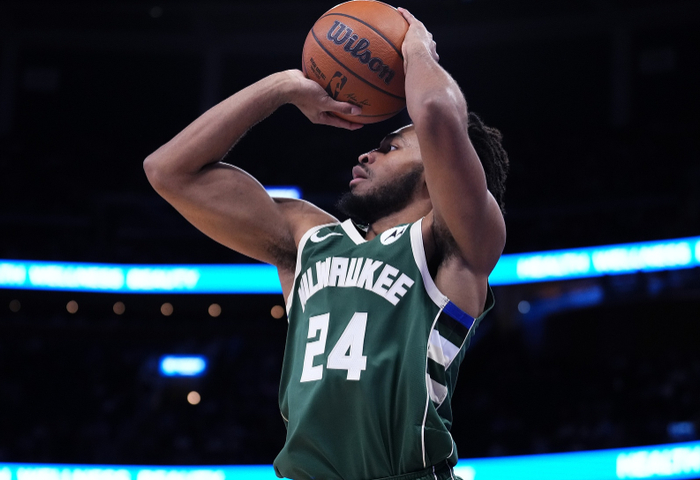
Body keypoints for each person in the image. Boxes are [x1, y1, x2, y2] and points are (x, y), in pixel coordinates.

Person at [144, 8, 508, 480]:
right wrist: (282, 87)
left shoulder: (455, 242)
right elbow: (168, 171)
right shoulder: (309, 237)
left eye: (390, 147)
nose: (367, 153)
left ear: (434, 173)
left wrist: (417, 47)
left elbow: (438, 114)